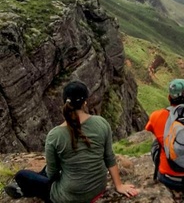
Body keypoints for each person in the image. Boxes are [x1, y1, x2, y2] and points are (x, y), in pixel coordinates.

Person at [4, 80, 138, 203]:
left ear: (65, 103)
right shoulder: (101, 123)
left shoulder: (55, 135)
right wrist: (119, 186)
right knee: (47, 169)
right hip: (98, 188)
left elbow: (53, 175)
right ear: (85, 102)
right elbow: (109, 157)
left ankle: (23, 190)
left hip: (69, 197)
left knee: (22, 176)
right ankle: (25, 187)